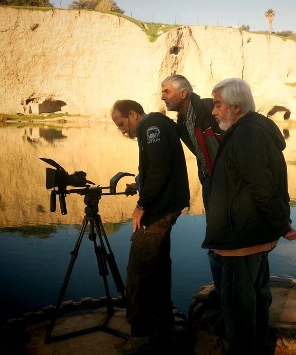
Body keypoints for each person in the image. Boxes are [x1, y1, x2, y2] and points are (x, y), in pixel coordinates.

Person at [202, 78, 296, 355]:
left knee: (239, 307)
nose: (214, 111)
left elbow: (263, 185)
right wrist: (280, 223)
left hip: (241, 240)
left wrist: (283, 224)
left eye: (217, 104)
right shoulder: (254, 129)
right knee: (256, 299)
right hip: (252, 233)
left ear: (236, 106)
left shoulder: (246, 134)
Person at [111, 99, 190, 354]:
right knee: (158, 266)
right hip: (167, 205)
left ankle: (141, 335)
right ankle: (164, 325)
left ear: (133, 115)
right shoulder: (154, 126)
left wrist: (142, 204)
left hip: (159, 210)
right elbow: (157, 170)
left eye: (122, 124)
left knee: (139, 270)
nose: (122, 131)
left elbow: (159, 169)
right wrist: (140, 185)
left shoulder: (151, 127)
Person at [160, 74, 224, 301]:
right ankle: (221, 289)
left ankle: (229, 291)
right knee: (215, 235)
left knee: (224, 235)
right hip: (209, 180)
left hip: (225, 182)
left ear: (183, 93)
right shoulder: (181, 121)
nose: (163, 96)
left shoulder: (208, 108)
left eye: (167, 91)